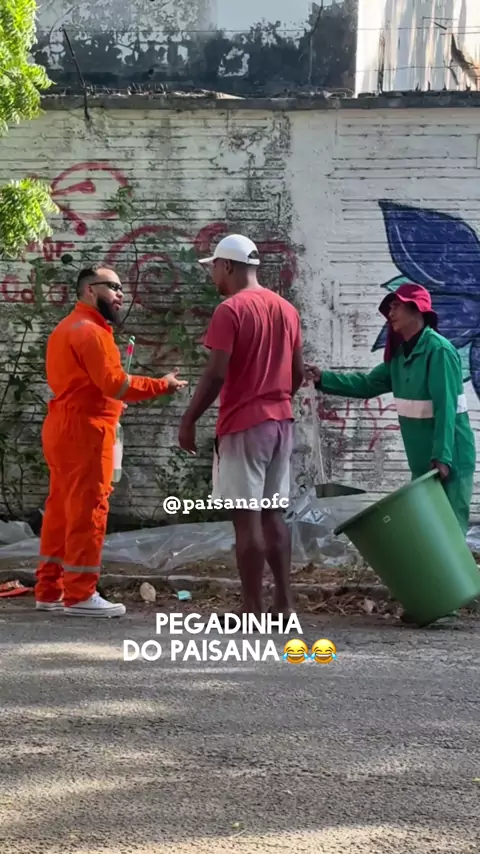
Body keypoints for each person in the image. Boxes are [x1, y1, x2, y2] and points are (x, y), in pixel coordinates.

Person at [35, 264, 187, 617]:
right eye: (113, 287)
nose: (120, 294)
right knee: (89, 510)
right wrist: (161, 385)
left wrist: (113, 401)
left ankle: (50, 589)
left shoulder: (67, 327)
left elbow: (92, 386)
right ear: (90, 289)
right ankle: (80, 594)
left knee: (61, 511)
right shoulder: (91, 331)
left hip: (65, 426)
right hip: (87, 431)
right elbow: (115, 383)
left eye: (121, 288)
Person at [178, 234, 305, 620]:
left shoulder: (230, 310)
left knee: (246, 519)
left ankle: (251, 607)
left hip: (244, 425)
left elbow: (216, 373)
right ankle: (284, 604)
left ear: (228, 266)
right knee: (273, 514)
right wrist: (276, 397)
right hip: (281, 423)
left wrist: (189, 419)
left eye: (214, 267)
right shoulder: (287, 309)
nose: (212, 274)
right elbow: (297, 372)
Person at [305, 283, 476, 536]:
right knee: (427, 533)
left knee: (449, 532)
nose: (391, 313)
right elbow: (367, 384)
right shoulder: (400, 357)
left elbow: (446, 408)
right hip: (423, 460)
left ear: (417, 309)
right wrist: (323, 379)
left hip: (450, 457)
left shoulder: (438, 351)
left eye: (397, 306)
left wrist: (442, 457)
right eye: (390, 308)